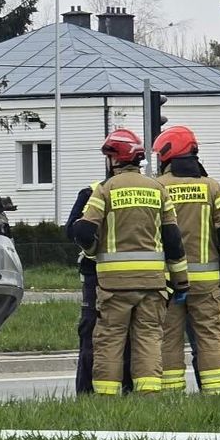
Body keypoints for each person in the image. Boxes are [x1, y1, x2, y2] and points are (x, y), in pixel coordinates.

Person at [72, 128, 189, 395]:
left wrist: (91, 252)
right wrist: (181, 283)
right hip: (152, 284)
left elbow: (83, 231)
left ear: (115, 159)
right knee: (148, 339)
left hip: (114, 285)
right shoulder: (157, 189)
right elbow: (173, 241)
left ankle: (106, 398)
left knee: (110, 340)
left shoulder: (105, 190)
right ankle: (148, 397)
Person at [152, 125, 220, 395]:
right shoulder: (211, 188)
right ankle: (216, 395)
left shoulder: (157, 187)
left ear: (167, 155)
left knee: (167, 340)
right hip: (207, 285)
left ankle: (170, 397)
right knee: (211, 340)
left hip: (169, 283)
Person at [65, 181, 132, 394]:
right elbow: (72, 231)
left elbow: (72, 231)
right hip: (120, 276)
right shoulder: (91, 192)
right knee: (104, 336)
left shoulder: (93, 191)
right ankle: (95, 393)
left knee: (94, 335)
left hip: (102, 275)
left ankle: (90, 393)